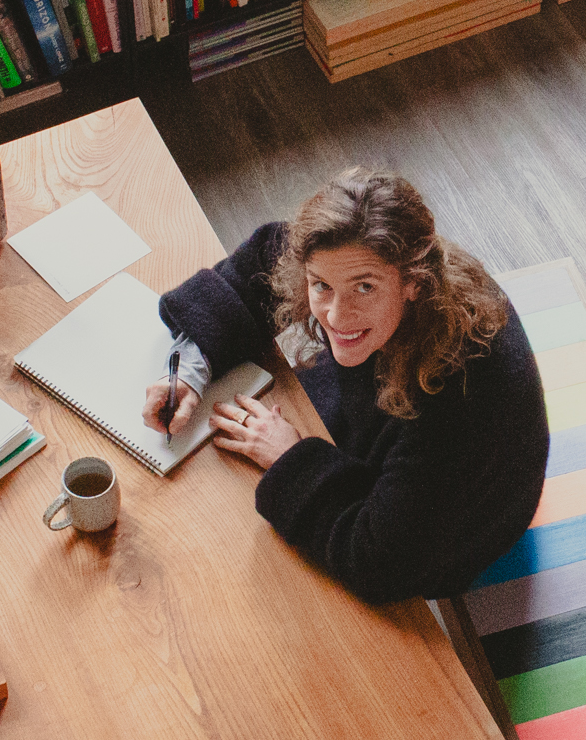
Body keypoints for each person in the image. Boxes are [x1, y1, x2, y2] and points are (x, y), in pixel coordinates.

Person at [145, 169, 547, 602]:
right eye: (321, 285)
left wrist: (288, 457)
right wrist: (190, 370)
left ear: (413, 282)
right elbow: (265, 259)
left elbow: (380, 564)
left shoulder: (454, 406)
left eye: (365, 287)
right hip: (408, 460)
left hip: (462, 516)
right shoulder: (354, 266)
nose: (336, 315)